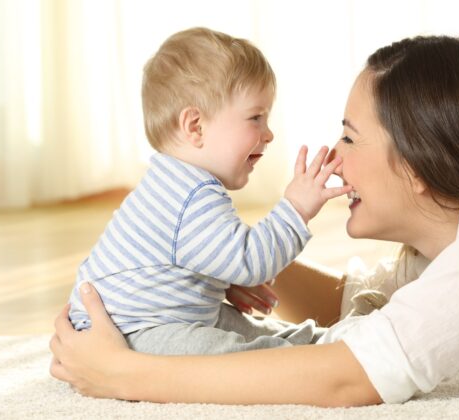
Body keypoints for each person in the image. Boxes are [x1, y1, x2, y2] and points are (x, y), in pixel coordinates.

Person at [50, 35, 459, 406]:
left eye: (349, 136)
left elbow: (351, 376)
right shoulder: (451, 245)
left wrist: (124, 374)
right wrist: (211, 264)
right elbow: (354, 304)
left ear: (419, 162)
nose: (335, 156)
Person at [67, 27, 351, 355]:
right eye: (256, 118)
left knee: (242, 328)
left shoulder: (172, 181)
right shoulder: (192, 194)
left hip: (148, 321)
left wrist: (220, 282)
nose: (268, 133)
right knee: (234, 354)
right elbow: (249, 262)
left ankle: (316, 343)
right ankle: (314, 353)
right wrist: (297, 207)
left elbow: (188, 262)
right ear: (196, 127)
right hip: (132, 333)